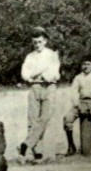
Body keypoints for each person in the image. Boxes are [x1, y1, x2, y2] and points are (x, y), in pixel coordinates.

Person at [18, 27, 60, 160]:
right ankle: (37, 151)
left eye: (40, 41)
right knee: (33, 119)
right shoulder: (30, 56)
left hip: (49, 88)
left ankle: (26, 144)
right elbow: (24, 75)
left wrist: (36, 74)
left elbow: (54, 74)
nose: (37, 44)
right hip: (35, 87)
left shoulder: (52, 55)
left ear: (45, 41)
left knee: (45, 118)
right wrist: (40, 71)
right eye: (35, 42)